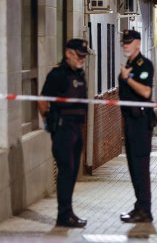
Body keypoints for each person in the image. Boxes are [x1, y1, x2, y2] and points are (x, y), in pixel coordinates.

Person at [38, 38, 90, 228]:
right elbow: (42, 100)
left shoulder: (80, 74)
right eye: (79, 55)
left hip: (77, 129)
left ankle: (68, 213)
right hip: (63, 129)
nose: (82, 59)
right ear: (68, 53)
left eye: (84, 56)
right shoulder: (57, 75)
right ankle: (63, 215)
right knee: (66, 171)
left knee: (72, 171)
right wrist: (49, 121)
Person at [118, 30, 157, 223]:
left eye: (129, 42)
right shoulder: (129, 64)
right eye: (123, 42)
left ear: (138, 43)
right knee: (133, 167)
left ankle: (145, 210)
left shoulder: (144, 65)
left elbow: (146, 91)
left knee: (140, 167)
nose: (125, 45)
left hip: (141, 122)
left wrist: (127, 79)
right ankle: (139, 207)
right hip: (131, 122)